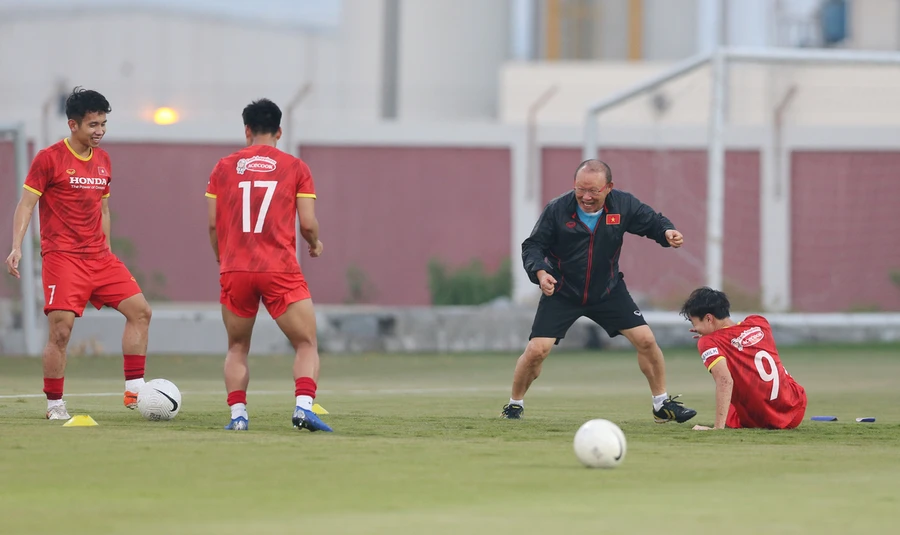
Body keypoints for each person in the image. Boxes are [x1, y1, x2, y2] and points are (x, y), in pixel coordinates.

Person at [501, 159, 697, 424]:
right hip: (562, 292)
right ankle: (514, 404)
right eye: (580, 189)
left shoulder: (623, 205)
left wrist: (667, 232)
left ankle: (661, 404)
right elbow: (533, 246)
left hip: (608, 290)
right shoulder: (557, 209)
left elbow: (651, 221)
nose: (586, 196)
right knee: (537, 351)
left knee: (646, 340)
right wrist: (540, 272)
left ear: (609, 188)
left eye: (593, 190)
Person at [5, 87, 152, 420]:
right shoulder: (49, 158)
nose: (99, 131)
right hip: (63, 258)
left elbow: (104, 209)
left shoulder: (103, 159)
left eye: (103, 124)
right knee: (61, 330)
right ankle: (55, 404)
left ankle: (135, 390)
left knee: (141, 311)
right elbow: (26, 204)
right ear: (73, 125)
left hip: (100, 258)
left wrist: (109, 252)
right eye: (92, 125)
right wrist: (16, 246)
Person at [205, 98, 332, 432]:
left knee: (237, 347)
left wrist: (223, 257)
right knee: (305, 343)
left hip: (236, 269)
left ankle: (238, 417)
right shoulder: (296, 167)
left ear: (247, 131)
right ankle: (304, 407)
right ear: (279, 130)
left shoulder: (223, 167)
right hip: (279, 269)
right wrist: (314, 243)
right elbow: (307, 223)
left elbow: (212, 224)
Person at [680, 287, 807, 430]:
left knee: (732, 407)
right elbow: (737, 340)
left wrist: (717, 428)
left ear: (709, 318)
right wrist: (713, 337)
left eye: (694, 323)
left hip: (762, 420)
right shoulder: (759, 322)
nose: (695, 328)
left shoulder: (708, 342)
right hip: (795, 410)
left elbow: (725, 380)